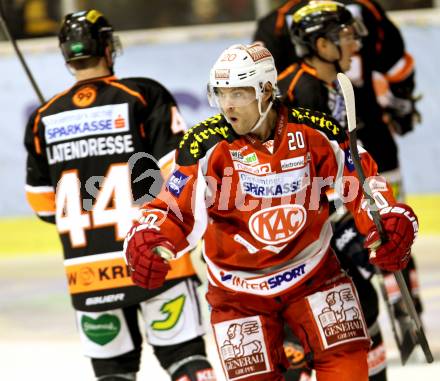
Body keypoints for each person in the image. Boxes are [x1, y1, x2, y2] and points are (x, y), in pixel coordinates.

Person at [123, 43, 419, 381]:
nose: (228, 105)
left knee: (348, 367)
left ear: (266, 90)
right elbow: (174, 209)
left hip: (314, 276)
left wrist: (388, 221)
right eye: (220, 93)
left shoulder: (314, 130)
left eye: (239, 93)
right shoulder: (202, 144)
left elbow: (364, 182)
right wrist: (149, 236)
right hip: (237, 292)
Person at [24, 9, 216, 381]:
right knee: (187, 362)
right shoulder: (143, 95)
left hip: (88, 274)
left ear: (67, 54)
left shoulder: (42, 119)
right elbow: (176, 176)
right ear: (108, 46)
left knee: (113, 375)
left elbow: (45, 208)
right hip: (157, 257)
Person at [255, 0, 423, 375]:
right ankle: (295, 346)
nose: (355, 45)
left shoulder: (329, 85)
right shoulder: (302, 91)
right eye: (346, 37)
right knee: (352, 302)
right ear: (321, 44)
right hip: (298, 225)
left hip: (324, 212)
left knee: (362, 302)